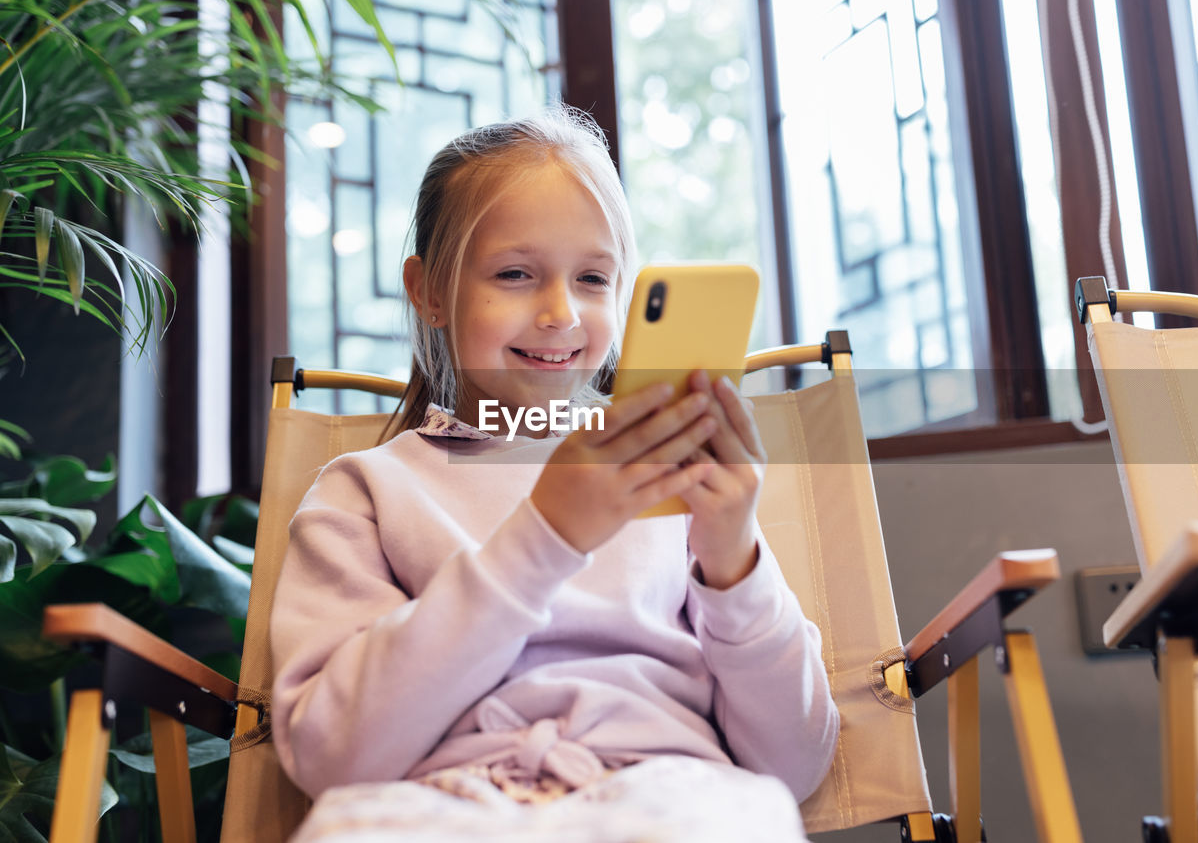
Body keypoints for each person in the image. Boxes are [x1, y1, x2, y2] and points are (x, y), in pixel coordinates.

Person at [270, 105, 839, 842]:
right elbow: (331, 757)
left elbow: (792, 769)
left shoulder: (674, 481)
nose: (561, 313)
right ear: (431, 290)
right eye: (515, 274)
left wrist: (734, 562)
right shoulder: (364, 493)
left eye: (594, 278)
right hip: (442, 806)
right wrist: (544, 538)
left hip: (668, 797)